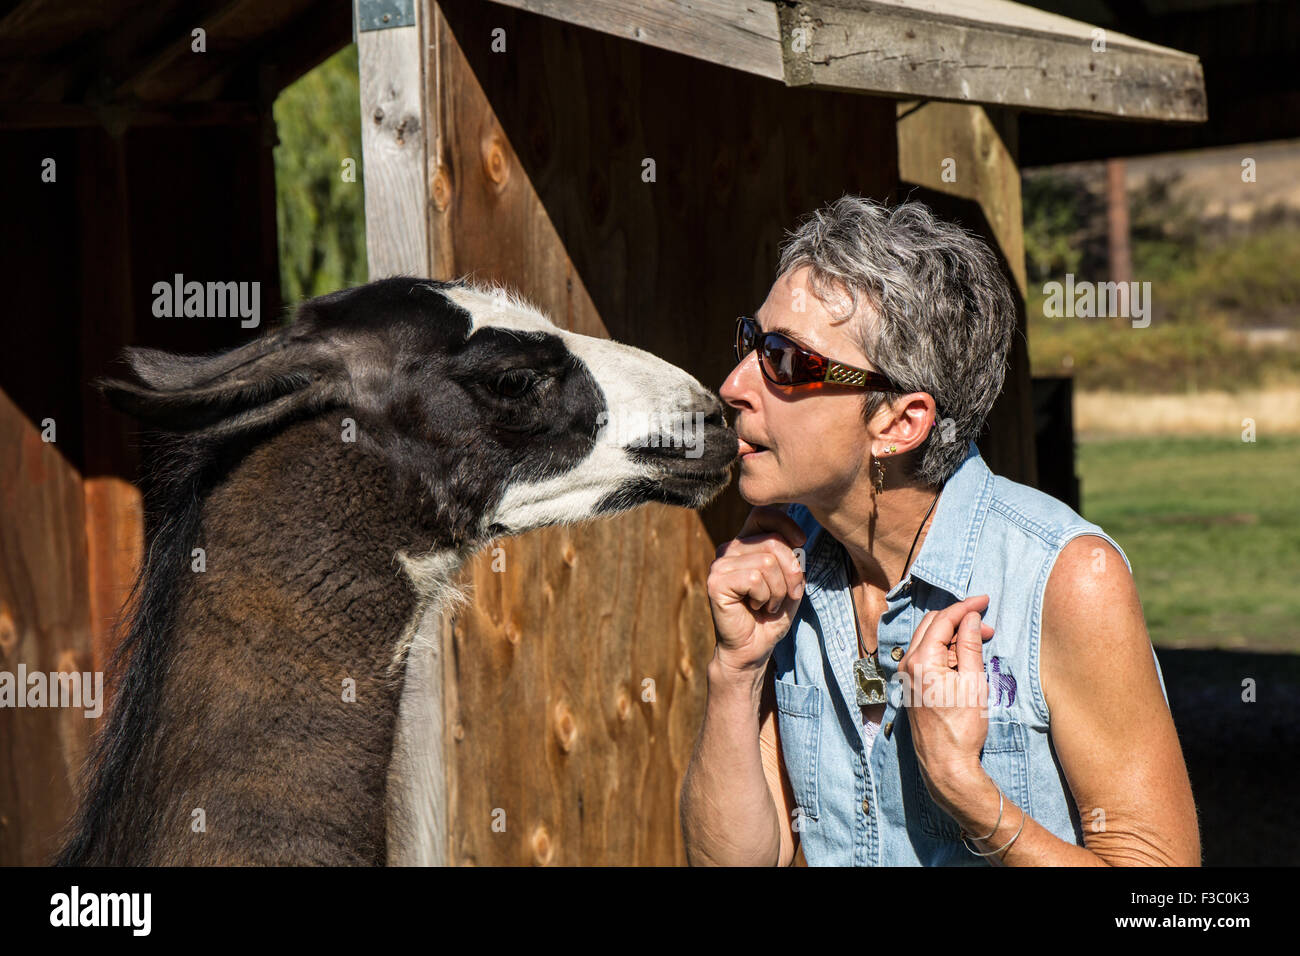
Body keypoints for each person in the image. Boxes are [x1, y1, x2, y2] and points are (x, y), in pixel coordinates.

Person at [679, 196, 1200, 866]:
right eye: (751, 343)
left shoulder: (1067, 577)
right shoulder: (785, 571)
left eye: (784, 361)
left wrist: (966, 791)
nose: (733, 384)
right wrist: (736, 669)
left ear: (900, 423)